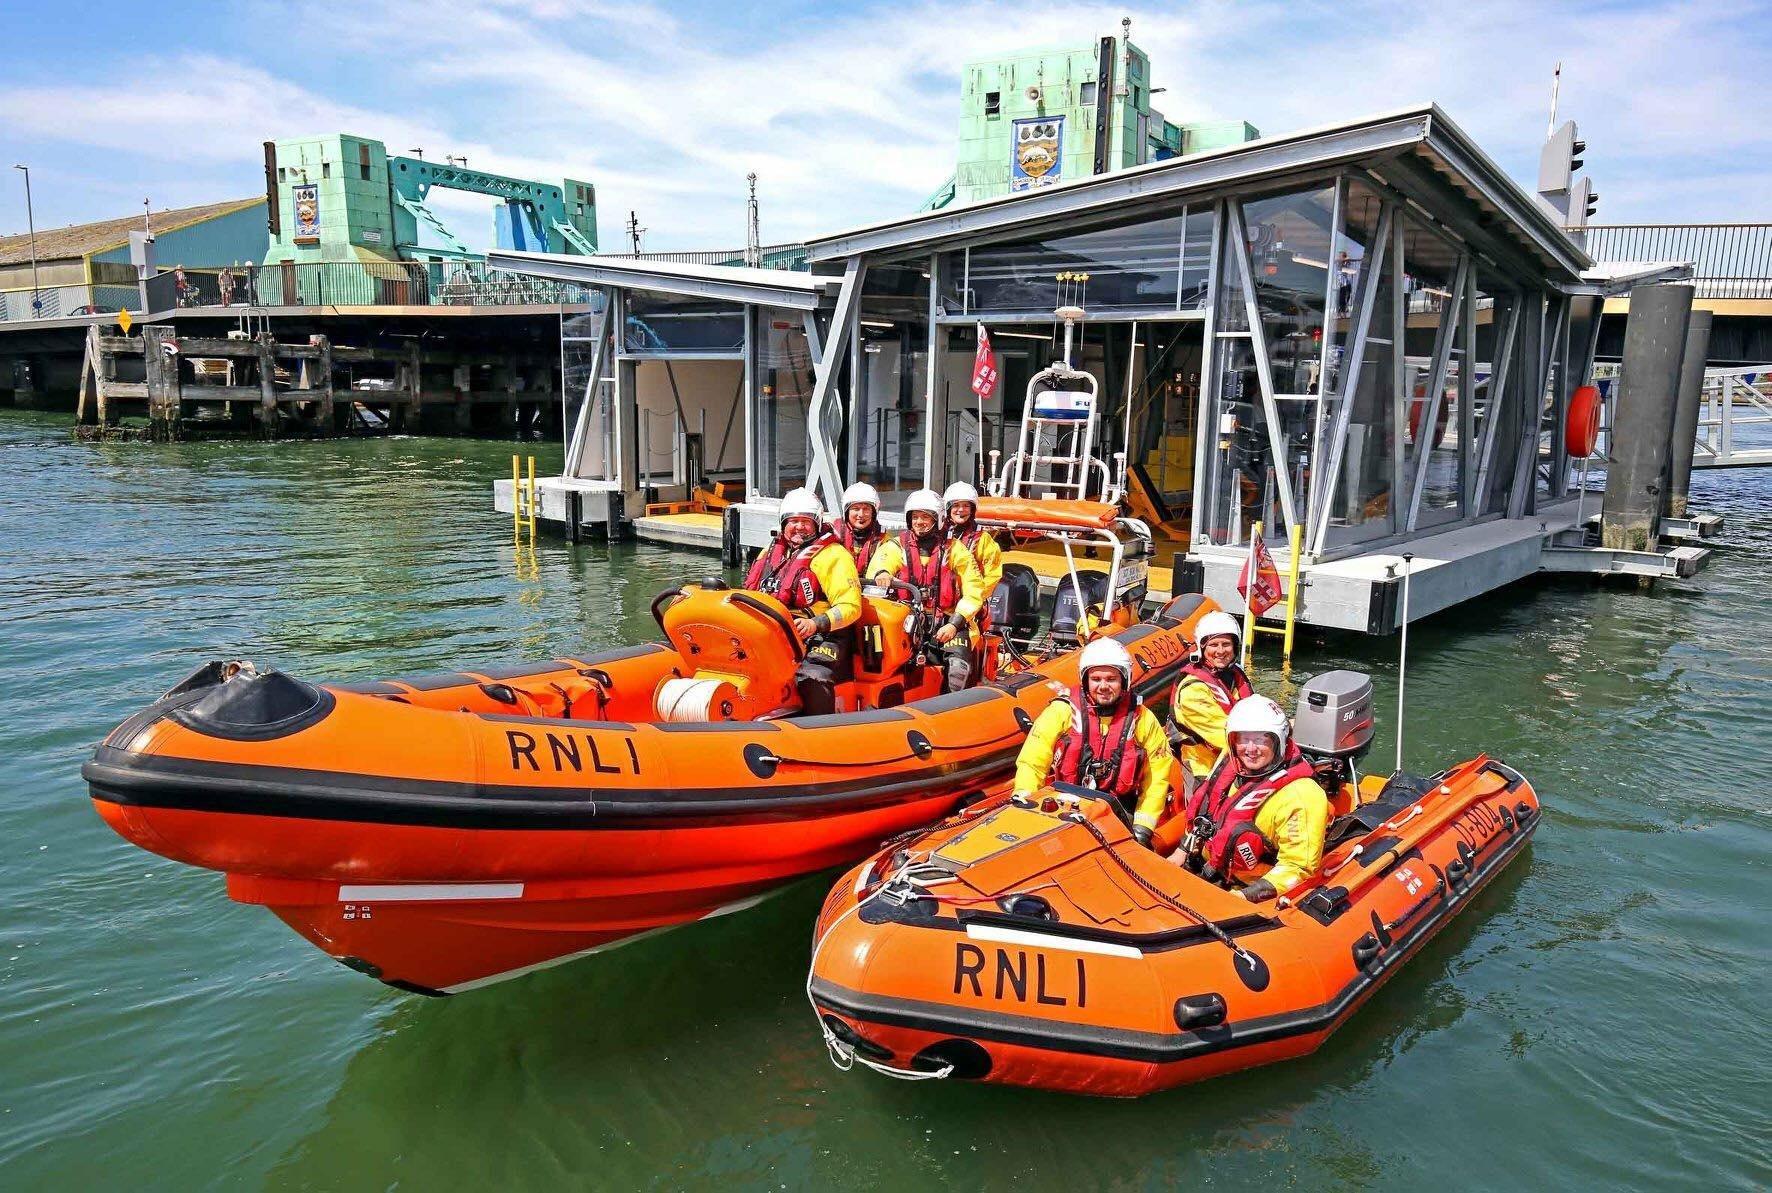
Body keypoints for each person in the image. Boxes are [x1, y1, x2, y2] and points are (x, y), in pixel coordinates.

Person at [1013, 637, 1173, 846]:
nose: (1103, 686)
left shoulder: (1142, 718)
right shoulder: (1061, 711)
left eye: (1111, 679)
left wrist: (1143, 827)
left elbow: (1157, 776)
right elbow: (1033, 761)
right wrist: (1026, 797)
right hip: (1066, 803)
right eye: (1096, 679)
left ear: (1124, 680)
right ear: (1085, 680)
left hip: (1117, 808)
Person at [1178, 695, 1329, 903]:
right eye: (1242, 739)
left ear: (1280, 741)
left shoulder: (1302, 795)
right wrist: (1182, 851)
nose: (1250, 749)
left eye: (1261, 739)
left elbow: (1297, 867)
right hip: (1210, 870)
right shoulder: (1232, 763)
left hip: (1249, 890)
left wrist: (1241, 896)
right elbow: (1206, 819)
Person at [742, 487, 862, 716]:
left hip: (824, 634)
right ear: (782, 523)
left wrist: (815, 624)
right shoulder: (769, 552)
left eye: (805, 521)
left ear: (816, 523)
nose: (799, 527)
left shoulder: (833, 555)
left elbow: (851, 607)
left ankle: (819, 733)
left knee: (813, 675)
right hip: (776, 631)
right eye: (793, 521)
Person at [870, 488, 984, 693]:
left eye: (925, 517)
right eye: (915, 517)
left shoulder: (955, 550)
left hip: (948, 621)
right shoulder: (896, 546)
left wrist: (955, 623)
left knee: (958, 668)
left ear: (938, 519)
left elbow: (974, 590)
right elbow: (881, 564)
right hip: (908, 620)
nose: (919, 522)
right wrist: (883, 574)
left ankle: (951, 710)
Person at [1169, 610, 1255, 783]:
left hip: (1234, 757)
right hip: (1202, 764)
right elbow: (1225, 736)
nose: (1221, 651)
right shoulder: (1192, 691)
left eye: (1226, 644)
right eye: (1214, 645)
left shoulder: (1235, 675)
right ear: (1202, 648)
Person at [942, 481, 1003, 620]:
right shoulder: (937, 537)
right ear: (947, 508)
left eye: (966, 506)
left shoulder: (983, 539)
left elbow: (993, 575)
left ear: (972, 509)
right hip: (939, 606)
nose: (960, 510)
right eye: (956, 505)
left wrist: (972, 599)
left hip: (970, 610)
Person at [832, 481, 886, 575]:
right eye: (856, 509)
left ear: (874, 512)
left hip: (870, 585)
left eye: (866, 509)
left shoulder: (884, 539)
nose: (861, 515)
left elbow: (888, 562)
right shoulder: (831, 534)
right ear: (847, 512)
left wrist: (884, 573)